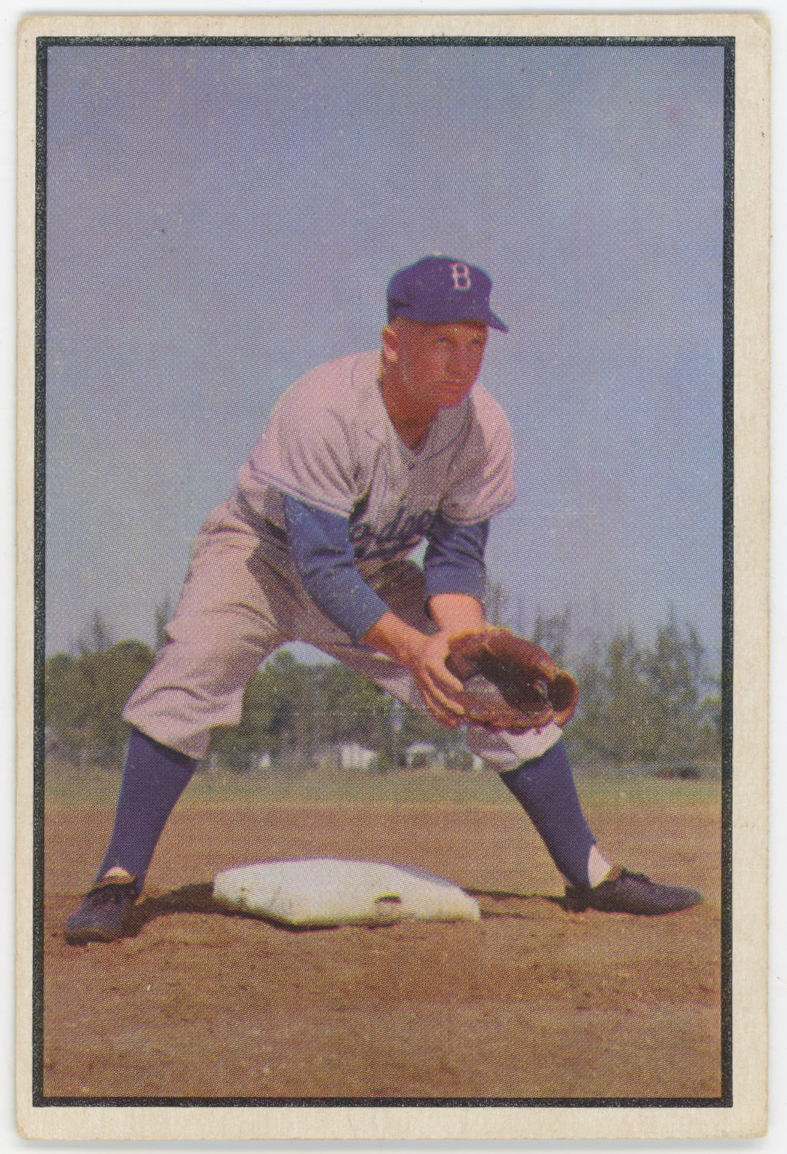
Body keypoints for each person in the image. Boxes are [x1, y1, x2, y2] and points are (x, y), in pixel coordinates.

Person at [65, 255, 701, 944]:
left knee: (488, 686)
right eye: (441, 340)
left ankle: (592, 875)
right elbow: (320, 566)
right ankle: (118, 878)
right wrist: (416, 649)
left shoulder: (482, 428)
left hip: (372, 569)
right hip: (260, 560)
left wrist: (461, 647)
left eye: (475, 343)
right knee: (193, 667)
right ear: (393, 342)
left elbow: (455, 559)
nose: (462, 361)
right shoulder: (323, 408)